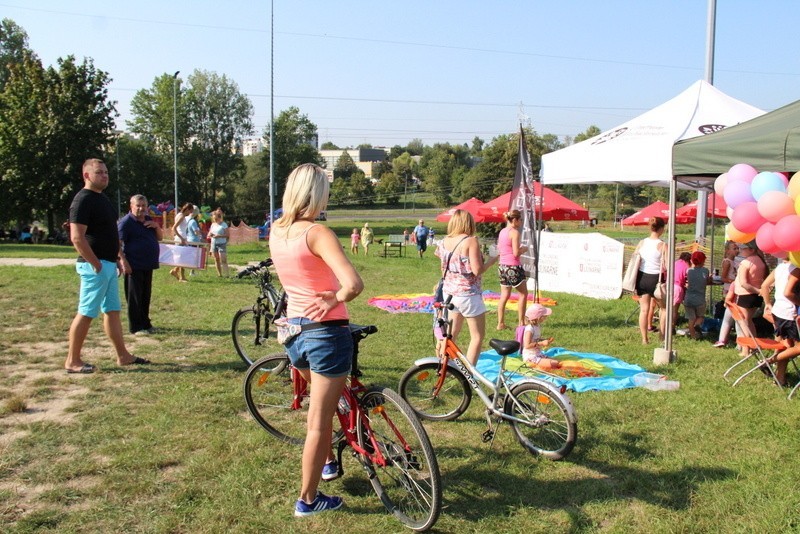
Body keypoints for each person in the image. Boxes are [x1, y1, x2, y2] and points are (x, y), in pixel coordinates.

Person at [269, 163, 363, 517]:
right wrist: (335, 297)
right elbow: (353, 285)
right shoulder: (317, 233)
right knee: (318, 422)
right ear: (318, 193)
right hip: (325, 332)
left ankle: (328, 463)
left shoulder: (277, 230)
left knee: (322, 406)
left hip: (294, 332)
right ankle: (308, 500)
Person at [64, 158, 150, 373]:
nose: (105, 176)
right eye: (100, 172)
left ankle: (123, 356)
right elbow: (77, 237)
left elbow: (110, 234)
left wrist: (118, 258)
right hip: (95, 266)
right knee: (86, 312)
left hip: (109, 264)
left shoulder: (102, 199)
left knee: (112, 311)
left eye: (106, 172)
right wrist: (96, 265)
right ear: (87, 175)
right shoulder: (83, 200)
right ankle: (72, 361)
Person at [436, 209, 498, 365]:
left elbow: (443, 267)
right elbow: (477, 270)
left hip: (449, 293)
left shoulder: (444, 241)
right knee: (477, 336)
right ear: (468, 223)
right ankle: (470, 375)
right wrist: (491, 260)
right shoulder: (470, 241)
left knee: (451, 335)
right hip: (468, 294)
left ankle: (443, 367)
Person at [118, 194, 163, 335]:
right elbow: (117, 244)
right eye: (138, 205)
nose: (141, 208)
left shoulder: (149, 220)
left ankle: (146, 323)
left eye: (144, 206)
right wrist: (123, 262)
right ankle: (136, 327)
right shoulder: (126, 222)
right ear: (131, 207)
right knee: (135, 297)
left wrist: (156, 226)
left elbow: (160, 237)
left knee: (145, 295)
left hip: (148, 264)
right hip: (134, 265)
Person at [759, 258, 800, 386]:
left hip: (778, 311)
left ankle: (780, 378)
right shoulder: (796, 269)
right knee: (798, 348)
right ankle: (768, 362)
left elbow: (764, 286)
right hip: (790, 314)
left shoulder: (781, 266)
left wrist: (767, 304)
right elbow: (788, 293)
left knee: (786, 345)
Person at [726, 240, 768, 356]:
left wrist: (757, 290)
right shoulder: (761, 261)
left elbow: (744, 283)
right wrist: (759, 291)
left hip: (745, 295)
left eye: (743, 248)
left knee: (744, 323)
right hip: (755, 297)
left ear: (752, 249)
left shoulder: (746, 263)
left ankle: (746, 349)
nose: (740, 250)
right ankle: (755, 347)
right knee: (749, 322)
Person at [634, 217, 667, 345]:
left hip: (642, 277)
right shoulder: (663, 245)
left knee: (644, 309)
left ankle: (644, 339)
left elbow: (635, 258)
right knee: (663, 309)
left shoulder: (642, 243)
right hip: (656, 279)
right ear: (661, 229)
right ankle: (662, 336)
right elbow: (667, 265)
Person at [495, 209, 529, 331]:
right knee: (523, 294)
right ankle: (521, 322)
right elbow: (515, 253)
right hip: (513, 266)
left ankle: (500, 323)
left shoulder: (502, 231)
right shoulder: (514, 232)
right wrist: (524, 249)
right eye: (520, 220)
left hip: (502, 266)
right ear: (514, 220)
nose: (521, 222)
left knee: (504, 295)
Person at [714, 241, 743, 348]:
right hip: (729, 291)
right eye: (734, 248)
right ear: (727, 250)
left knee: (732, 316)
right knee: (734, 315)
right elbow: (723, 278)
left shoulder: (735, 262)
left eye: (737, 248)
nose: (737, 250)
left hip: (735, 290)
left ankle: (724, 339)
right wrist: (734, 281)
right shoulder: (727, 262)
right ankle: (729, 340)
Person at [521, 303, 561, 370]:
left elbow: (535, 339)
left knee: (558, 362)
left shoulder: (537, 326)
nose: (546, 317)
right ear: (538, 317)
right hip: (530, 357)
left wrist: (544, 340)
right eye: (544, 316)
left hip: (538, 354)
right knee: (554, 364)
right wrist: (541, 343)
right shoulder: (529, 329)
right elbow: (527, 345)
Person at [684, 251, 711, 339]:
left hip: (689, 298)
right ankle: (698, 324)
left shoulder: (689, 271)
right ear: (703, 261)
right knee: (701, 316)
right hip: (700, 299)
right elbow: (707, 281)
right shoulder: (705, 271)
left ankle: (693, 336)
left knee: (691, 319)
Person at [170, 203, 194, 282]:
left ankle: (175, 271)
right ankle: (182, 277)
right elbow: (174, 228)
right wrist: (181, 238)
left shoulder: (178, 215)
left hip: (181, 238)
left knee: (183, 257)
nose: (189, 213)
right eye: (190, 211)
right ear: (187, 209)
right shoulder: (181, 216)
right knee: (183, 258)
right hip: (181, 238)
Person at [673, 252, 692, 330]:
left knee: (667, 309)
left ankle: (664, 326)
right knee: (674, 310)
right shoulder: (687, 266)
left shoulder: (675, 262)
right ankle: (672, 327)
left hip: (668, 286)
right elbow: (688, 279)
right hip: (678, 287)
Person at [208, 208, 229, 277]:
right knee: (216, 259)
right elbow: (209, 233)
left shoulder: (224, 224)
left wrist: (219, 236)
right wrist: (210, 235)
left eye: (216, 218)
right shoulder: (213, 225)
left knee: (223, 259)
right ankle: (219, 274)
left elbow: (227, 235)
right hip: (214, 243)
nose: (215, 220)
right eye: (214, 219)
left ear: (219, 217)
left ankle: (227, 274)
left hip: (221, 244)